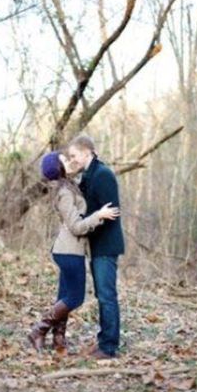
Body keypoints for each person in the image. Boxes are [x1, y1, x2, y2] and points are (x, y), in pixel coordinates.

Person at [28, 152, 119, 355]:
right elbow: (77, 227)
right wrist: (99, 215)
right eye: (64, 160)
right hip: (69, 251)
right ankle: (38, 329)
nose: (69, 162)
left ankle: (58, 339)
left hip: (70, 250)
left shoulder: (68, 186)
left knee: (65, 296)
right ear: (58, 167)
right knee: (75, 298)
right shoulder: (64, 192)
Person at [67, 134, 124, 359]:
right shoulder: (89, 175)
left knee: (107, 296)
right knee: (102, 295)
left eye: (74, 155)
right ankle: (103, 341)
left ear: (86, 152)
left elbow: (112, 212)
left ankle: (109, 347)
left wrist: (86, 224)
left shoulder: (103, 174)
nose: (71, 159)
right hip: (97, 245)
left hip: (107, 245)